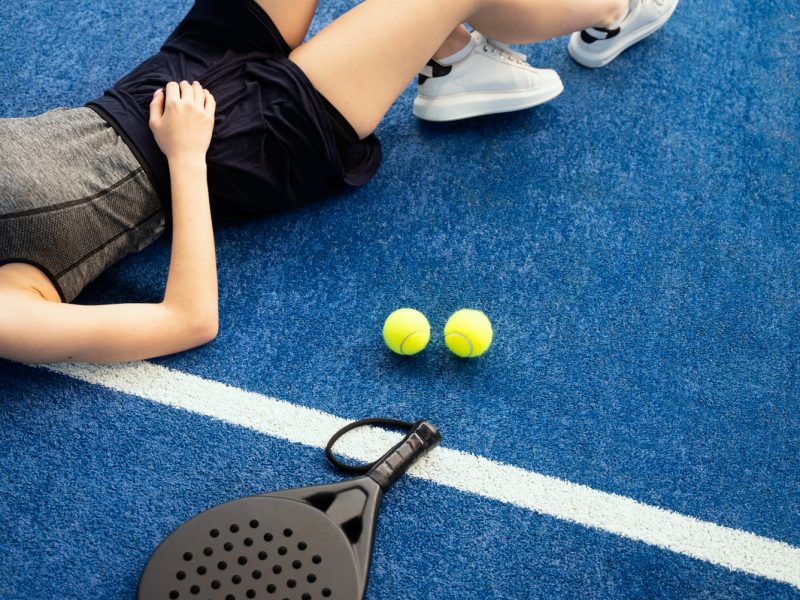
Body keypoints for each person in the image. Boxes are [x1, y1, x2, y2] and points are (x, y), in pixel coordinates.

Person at [0, 0, 678, 365]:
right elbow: (188, 321)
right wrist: (185, 154)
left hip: (166, 77)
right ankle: (616, 11)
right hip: (240, 146)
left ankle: (453, 59)